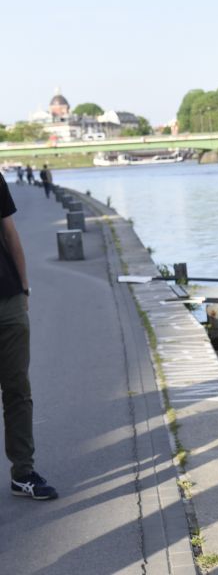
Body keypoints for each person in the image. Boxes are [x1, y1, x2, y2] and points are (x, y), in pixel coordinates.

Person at [0, 175, 57, 500]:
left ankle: (23, 473)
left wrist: (24, 287)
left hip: (8, 299)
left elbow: (9, 232)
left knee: (18, 390)